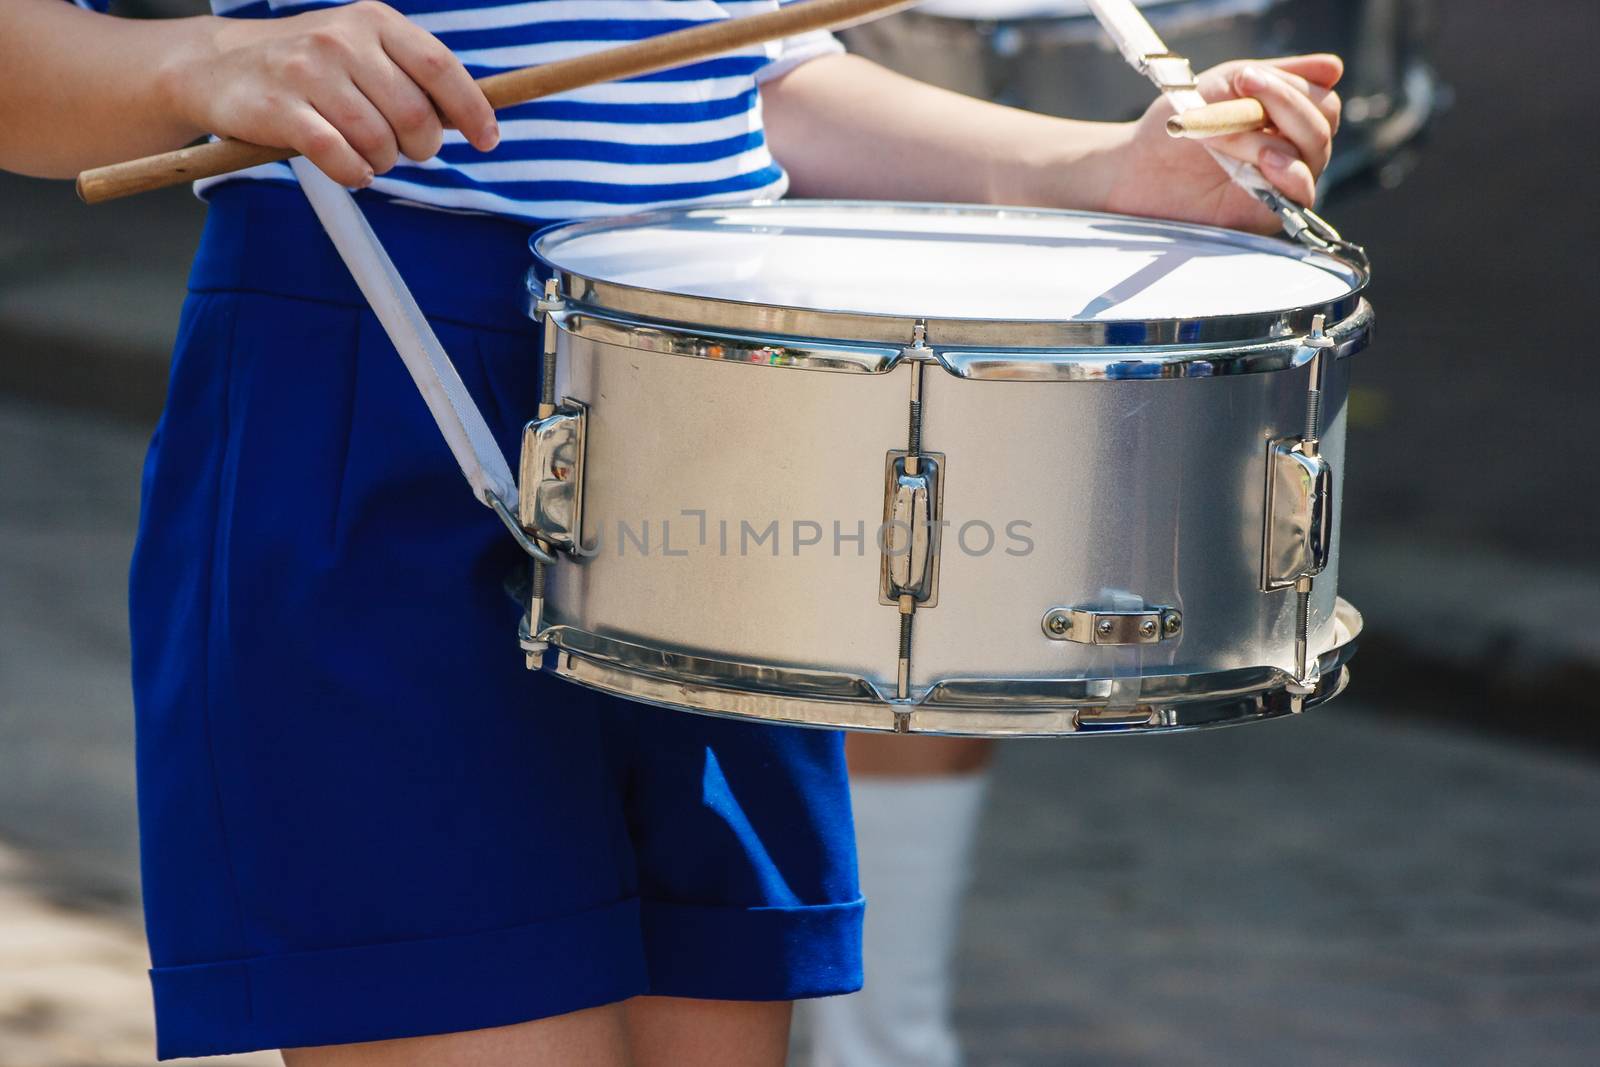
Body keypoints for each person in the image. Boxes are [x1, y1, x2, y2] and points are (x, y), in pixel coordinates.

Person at [0, 1, 1342, 1062]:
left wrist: (1100, 167)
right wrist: (202, 59)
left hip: (731, 399)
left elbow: (742, 74)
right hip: (387, 356)